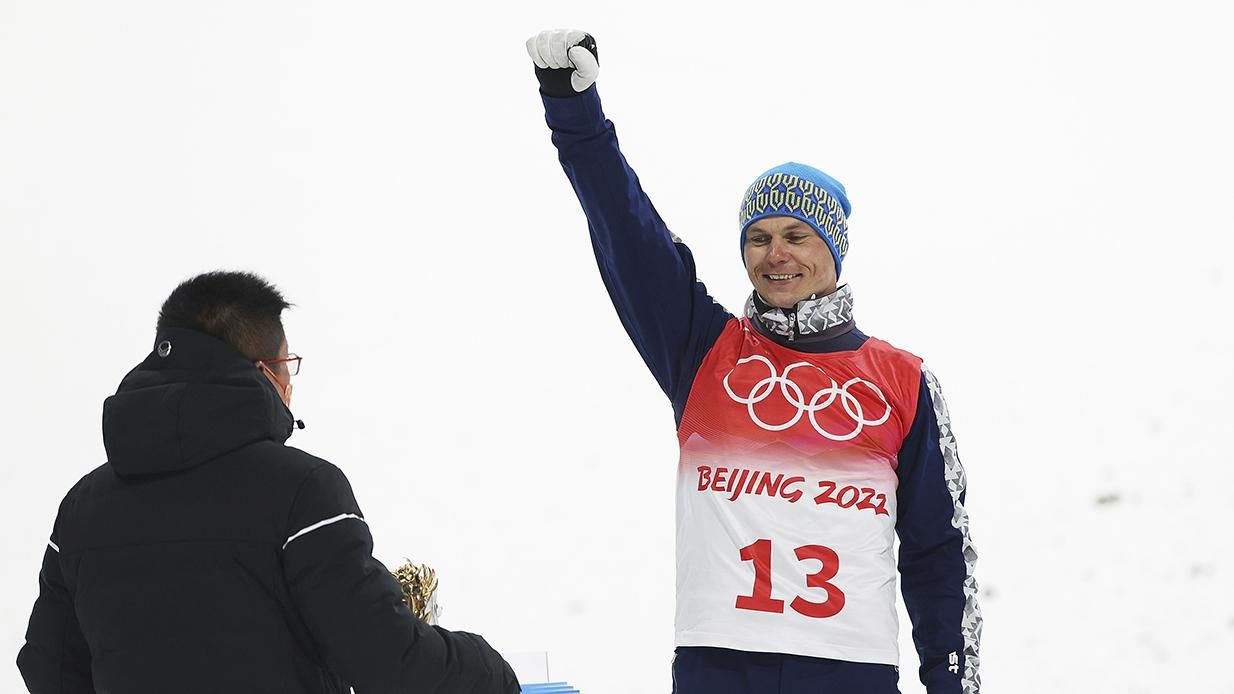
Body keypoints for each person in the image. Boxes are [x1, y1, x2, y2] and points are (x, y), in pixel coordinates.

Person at [525, 29, 982, 694]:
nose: (776, 254)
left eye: (797, 235)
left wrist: (953, 684)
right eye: (759, 238)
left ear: (833, 250)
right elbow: (626, 230)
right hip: (720, 667)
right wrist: (575, 113)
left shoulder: (902, 380)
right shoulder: (704, 350)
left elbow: (939, 554)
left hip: (850, 671)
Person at [16, 271, 519, 694]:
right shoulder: (302, 490)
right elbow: (389, 662)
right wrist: (491, 669)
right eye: (289, 368)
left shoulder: (82, 508)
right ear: (267, 371)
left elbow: (50, 670)